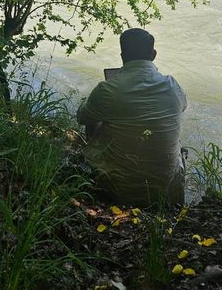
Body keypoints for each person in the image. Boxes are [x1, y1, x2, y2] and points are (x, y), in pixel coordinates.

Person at [77, 28, 187, 206]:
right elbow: (182, 108)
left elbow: (83, 117)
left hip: (120, 187)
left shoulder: (107, 89)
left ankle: (96, 171)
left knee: (97, 116)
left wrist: (89, 102)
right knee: (169, 126)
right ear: (153, 54)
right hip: (166, 185)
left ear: (122, 56)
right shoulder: (173, 86)